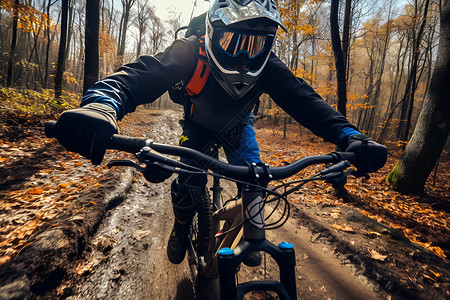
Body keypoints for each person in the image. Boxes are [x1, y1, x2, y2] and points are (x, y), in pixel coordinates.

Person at [51, 0, 387, 265]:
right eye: (233, 41)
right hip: (196, 125)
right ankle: (181, 226)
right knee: (186, 186)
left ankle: (253, 232)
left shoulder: (268, 65)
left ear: (268, 45)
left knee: (256, 181)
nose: (244, 56)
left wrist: (349, 135)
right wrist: (101, 104)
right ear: (211, 33)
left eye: (256, 45)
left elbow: (306, 101)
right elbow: (140, 75)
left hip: (238, 127)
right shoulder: (190, 50)